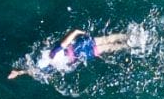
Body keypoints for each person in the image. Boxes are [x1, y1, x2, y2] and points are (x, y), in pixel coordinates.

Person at [8, 27, 137, 80]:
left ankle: (129, 43)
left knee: (108, 47)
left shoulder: (53, 60)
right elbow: (34, 70)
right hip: (80, 47)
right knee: (107, 41)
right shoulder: (53, 54)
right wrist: (78, 32)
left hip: (81, 51)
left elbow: (34, 71)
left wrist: (19, 73)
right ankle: (129, 37)